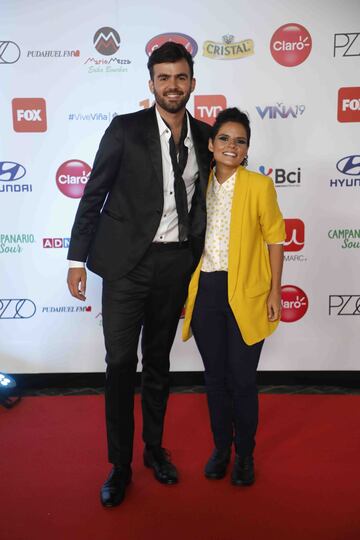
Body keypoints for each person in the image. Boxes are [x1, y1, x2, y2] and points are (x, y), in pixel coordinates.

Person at [67, 42, 211, 507]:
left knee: (159, 365)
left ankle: (153, 450)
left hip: (175, 265)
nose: (173, 85)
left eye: (181, 77)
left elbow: (212, 205)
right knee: (119, 365)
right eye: (164, 77)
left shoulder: (207, 138)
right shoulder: (125, 130)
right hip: (126, 267)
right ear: (151, 84)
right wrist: (76, 259)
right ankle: (120, 465)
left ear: (192, 83)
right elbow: (94, 194)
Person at [182, 107, 285, 486]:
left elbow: (275, 239)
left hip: (248, 293)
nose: (231, 146)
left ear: (246, 150)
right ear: (210, 144)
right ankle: (221, 448)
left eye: (240, 141)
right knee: (215, 379)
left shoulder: (259, 186)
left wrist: (274, 290)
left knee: (242, 379)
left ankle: (245, 455)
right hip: (206, 291)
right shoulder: (196, 187)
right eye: (224, 138)